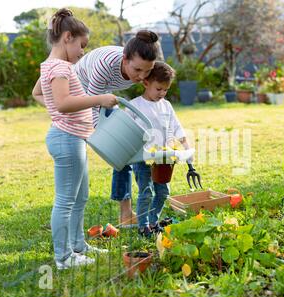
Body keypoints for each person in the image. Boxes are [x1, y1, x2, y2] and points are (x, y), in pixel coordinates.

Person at [32, 8, 116, 270]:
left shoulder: (54, 66)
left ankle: (78, 246)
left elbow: (37, 92)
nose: (82, 52)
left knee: (80, 198)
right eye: (82, 45)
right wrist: (99, 99)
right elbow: (63, 102)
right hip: (67, 139)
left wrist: (56, 111)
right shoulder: (59, 67)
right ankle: (64, 257)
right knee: (66, 200)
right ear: (67, 37)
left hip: (73, 138)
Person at [73, 31, 161, 228]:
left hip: (104, 93)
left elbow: (160, 82)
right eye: (137, 70)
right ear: (124, 59)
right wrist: (104, 139)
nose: (142, 76)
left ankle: (126, 214)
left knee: (124, 152)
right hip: (79, 90)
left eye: (147, 71)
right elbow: (92, 104)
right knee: (115, 148)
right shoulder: (104, 65)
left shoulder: (144, 67)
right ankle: (70, 209)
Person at [126, 61, 195, 237]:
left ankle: (153, 220)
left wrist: (186, 146)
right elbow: (125, 129)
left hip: (164, 158)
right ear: (146, 83)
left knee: (163, 192)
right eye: (159, 89)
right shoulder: (134, 106)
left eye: (166, 90)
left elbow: (176, 126)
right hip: (143, 157)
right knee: (146, 191)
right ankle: (143, 226)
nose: (162, 93)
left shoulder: (166, 105)